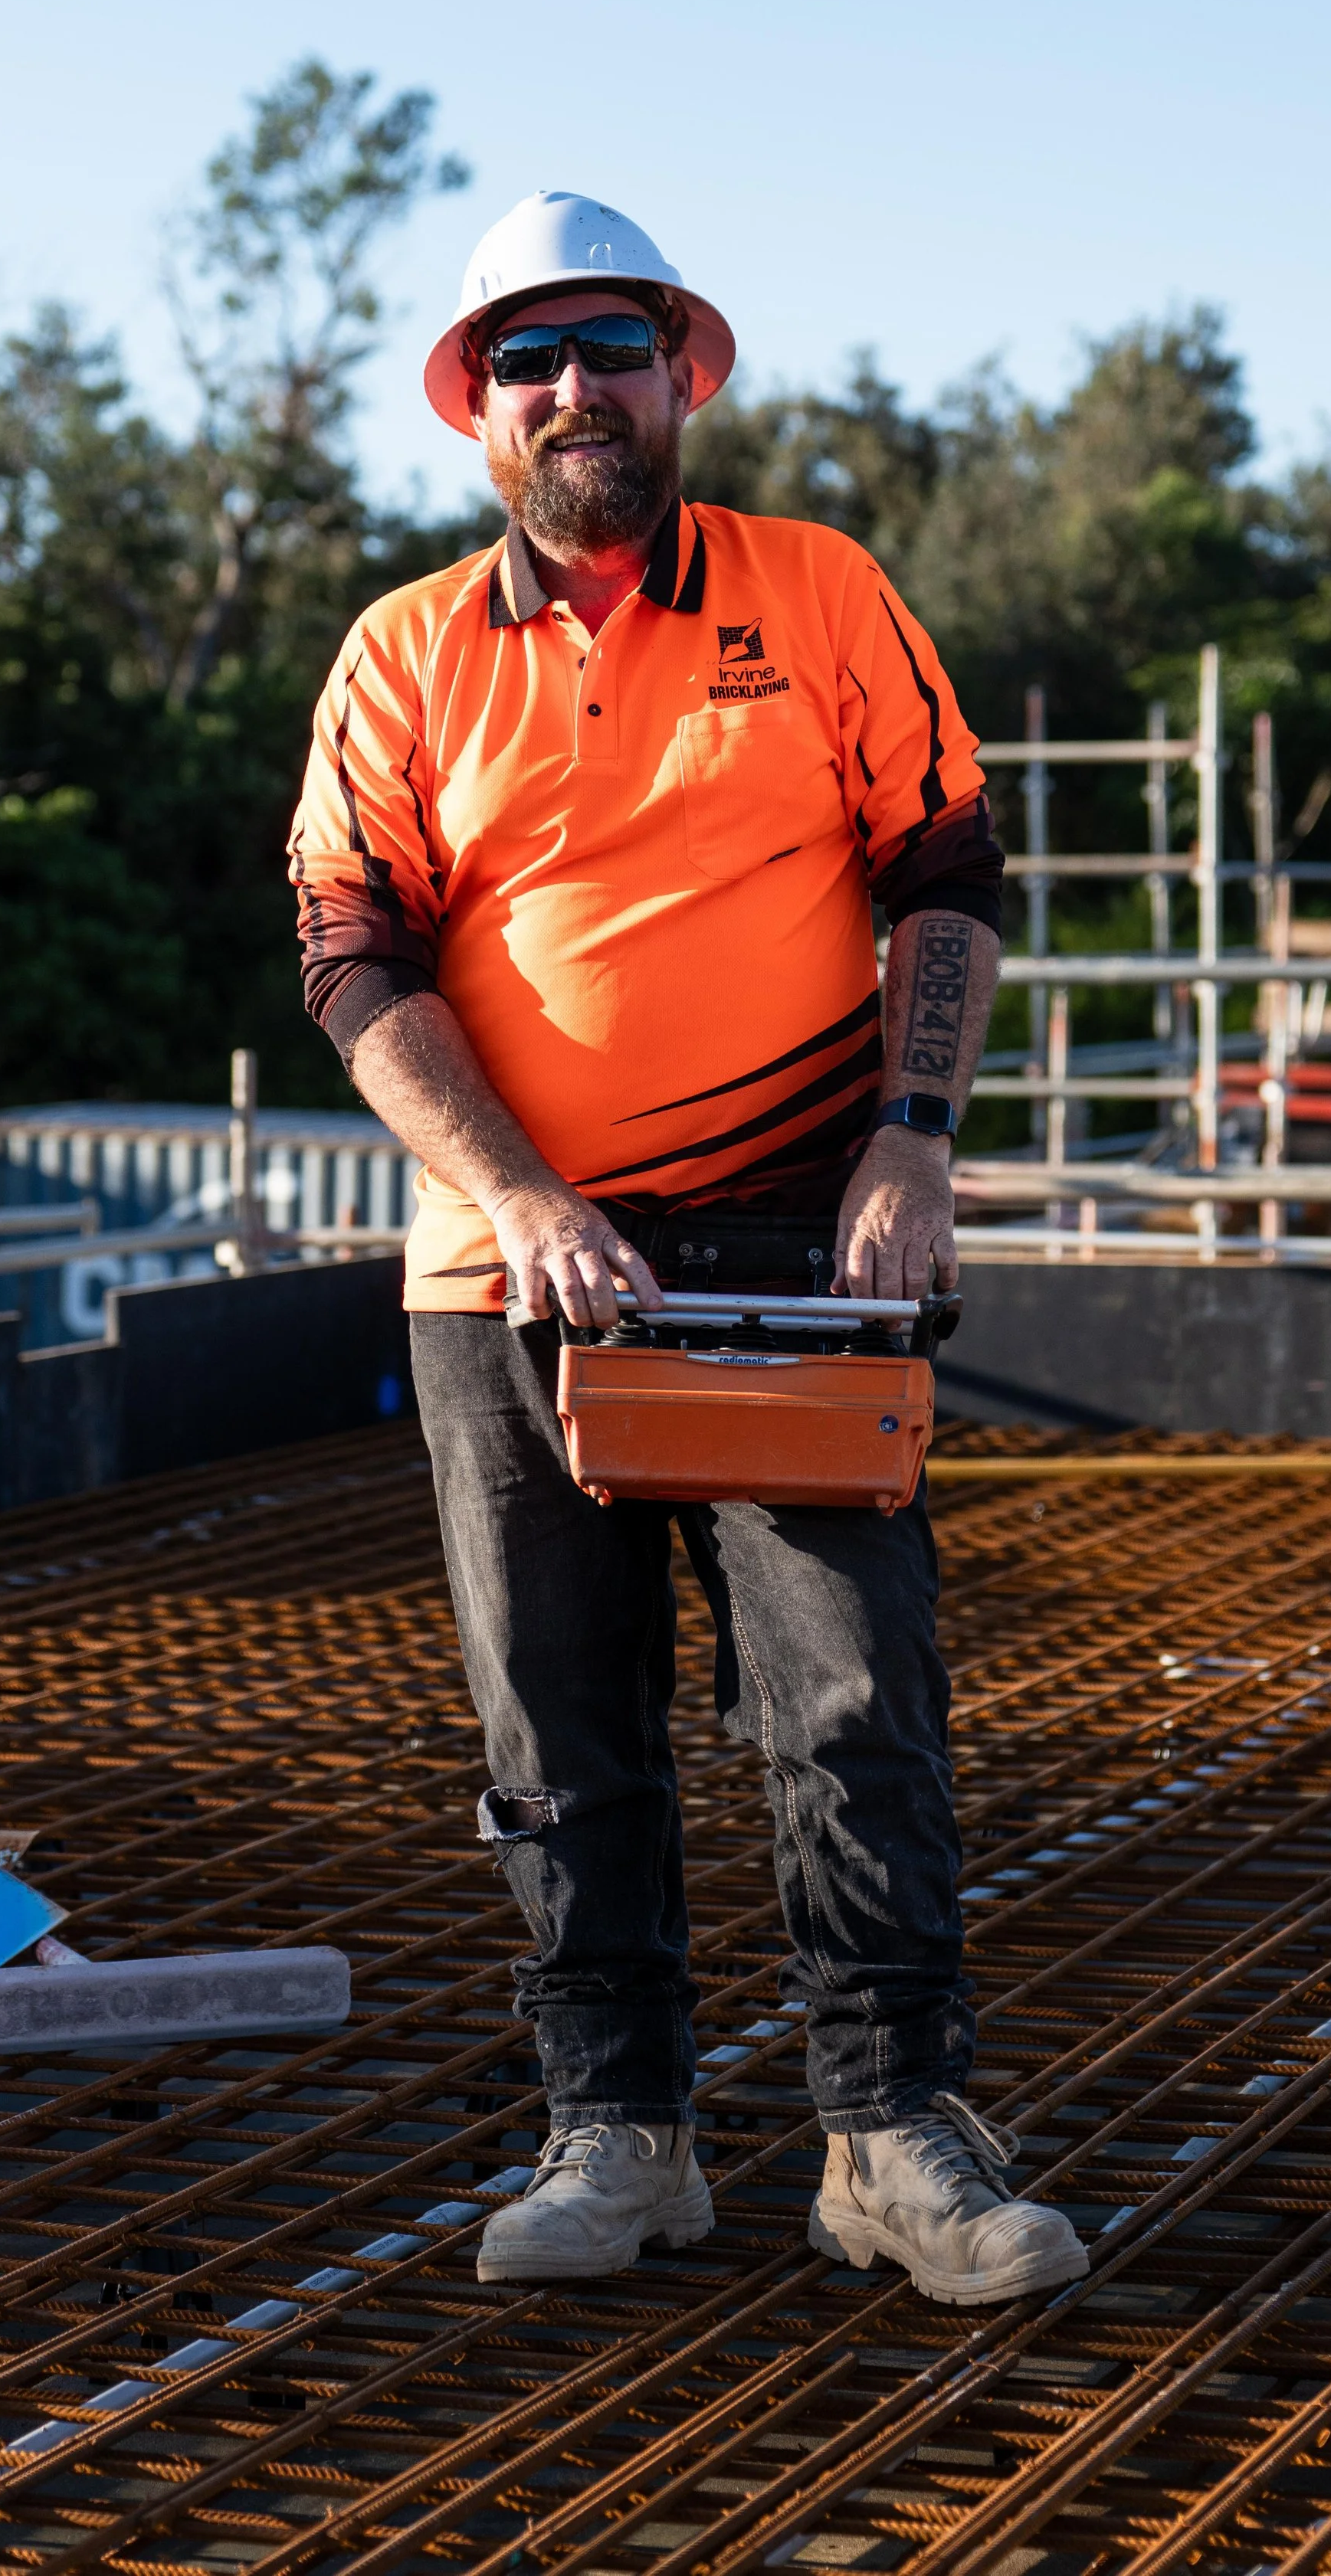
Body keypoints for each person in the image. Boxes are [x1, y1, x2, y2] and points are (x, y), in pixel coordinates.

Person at [290, 190, 1086, 2307]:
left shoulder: (817, 592)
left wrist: (909, 1141)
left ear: (679, 377)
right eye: (528, 358)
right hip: (507, 1272)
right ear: (481, 410)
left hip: (797, 1248)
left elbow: (945, 863)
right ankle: (616, 2137)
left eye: (611, 347)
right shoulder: (402, 654)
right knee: (559, 1731)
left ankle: (887, 2138)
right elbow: (349, 952)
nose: (576, 390)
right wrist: (524, 1196)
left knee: (847, 1704)